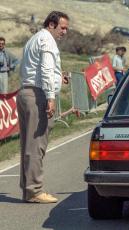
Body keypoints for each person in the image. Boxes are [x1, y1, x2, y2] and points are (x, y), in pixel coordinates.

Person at [17, 11, 69, 204]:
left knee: (28, 145)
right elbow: (46, 69)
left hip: (26, 92)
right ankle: (34, 190)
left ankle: (28, 188)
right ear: (51, 24)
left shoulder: (35, 38)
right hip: (37, 94)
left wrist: (58, 78)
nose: (65, 32)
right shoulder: (47, 40)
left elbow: (36, 68)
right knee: (36, 145)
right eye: (62, 27)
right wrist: (50, 97)